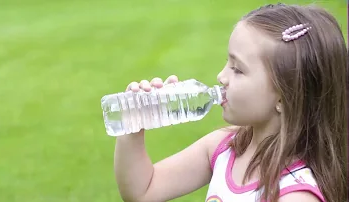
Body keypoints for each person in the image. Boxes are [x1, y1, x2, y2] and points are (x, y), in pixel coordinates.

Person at [113, 3, 348, 202]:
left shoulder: (294, 194)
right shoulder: (225, 147)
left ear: (285, 97)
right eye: (228, 62)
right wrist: (132, 128)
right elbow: (143, 190)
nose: (221, 77)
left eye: (237, 69)